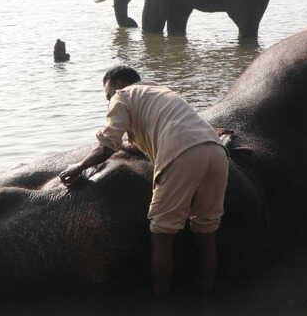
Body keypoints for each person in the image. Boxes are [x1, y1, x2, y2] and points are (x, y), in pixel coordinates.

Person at [59, 66, 228, 296]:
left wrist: (79, 166)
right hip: (217, 153)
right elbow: (146, 137)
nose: (108, 100)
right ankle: (207, 301)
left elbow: (107, 145)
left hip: (181, 155)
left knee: (162, 235)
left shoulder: (122, 96)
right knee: (207, 235)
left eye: (107, 95)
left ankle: (162, 309)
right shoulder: (159, 91)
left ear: (118, 84)